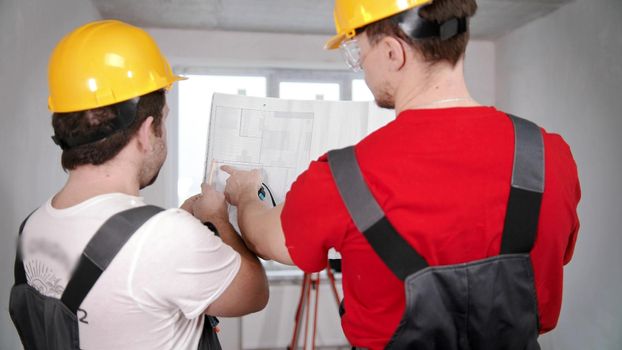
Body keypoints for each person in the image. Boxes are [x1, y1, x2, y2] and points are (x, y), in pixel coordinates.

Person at [222, 0, 581, 349]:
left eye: (358, 52)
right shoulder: (548, 155)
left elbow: (264, 239)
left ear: (394, 52)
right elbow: (553, 255)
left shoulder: (342, 175)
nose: (360, 67)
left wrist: (246, 194)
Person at [9, 20, 268, 350]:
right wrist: (218, 218)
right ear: (147, 131)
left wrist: (178, 226)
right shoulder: (164, 238)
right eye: (165, 120)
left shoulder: (32, 228)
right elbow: (254, 293)